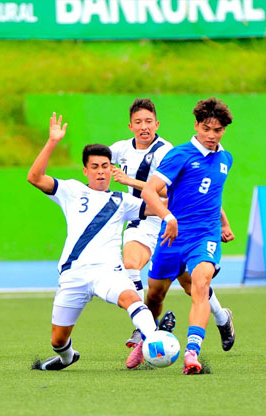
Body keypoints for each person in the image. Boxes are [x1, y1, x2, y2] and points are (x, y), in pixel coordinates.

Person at [26, 112, 159, 371]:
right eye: (95, 167)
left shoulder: (123, 201)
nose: (101, 172)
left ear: (112, 169)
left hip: (107, 272)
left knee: (130, 296)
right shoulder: (72, 190)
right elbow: (34, 178)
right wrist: (52, 142)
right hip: (74, 275)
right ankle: (67, 357)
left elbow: (157, 208)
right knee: (57, 339)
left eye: (105, 166)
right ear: (86, 170)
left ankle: (154, 340)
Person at [141, 97, 237, 374]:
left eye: (217, 130)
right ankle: (147, 336)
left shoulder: (225, 159)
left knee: (200, 284)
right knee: (155, 296)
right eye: (206, 128)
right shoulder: (180, 155)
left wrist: (224, 224)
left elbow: (211, 197)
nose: (211, 135)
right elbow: (150, 191)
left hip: (204, 236)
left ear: (224, 131)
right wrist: (168, 217)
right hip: (172, 236)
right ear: (196, 125)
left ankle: (192, 353)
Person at [106, 98, 177, 367]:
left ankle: (220, 317)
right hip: (141, 219)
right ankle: (145, 326)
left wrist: (128, 181)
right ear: (131, 125)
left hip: (169, 220)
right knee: (129, 265)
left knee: (193, 285)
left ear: (157, 124)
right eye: (138, 122)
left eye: (149, 121)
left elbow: (165, 190)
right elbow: (99, 160)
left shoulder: (166, 151)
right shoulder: (120, 149)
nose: (144, 127)